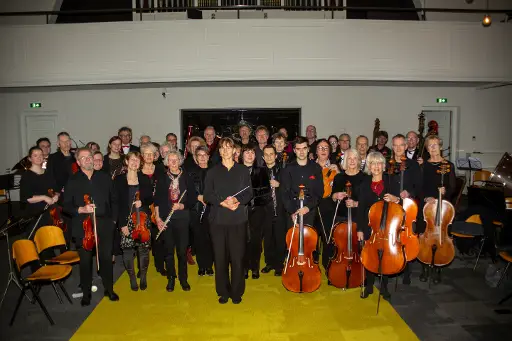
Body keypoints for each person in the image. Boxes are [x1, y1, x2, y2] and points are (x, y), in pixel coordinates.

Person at [63, 147, 119, 306]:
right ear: (78, 162)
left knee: (106, 259)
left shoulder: (104, 177)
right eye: (84, 157)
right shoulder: (73, 181)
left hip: (105, 224)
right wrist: (80, 209)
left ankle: (109, 289)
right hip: (83, 226)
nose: (89, 159)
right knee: (85, 262)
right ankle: (86, 293)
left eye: (90, 156)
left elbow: (114, 200)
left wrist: (113, 221)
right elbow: (65, 205)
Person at [204, 137, 253, 304]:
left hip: (238, 219)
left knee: (238, 258)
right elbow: (207, 195)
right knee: (220, 258)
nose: (225, 151)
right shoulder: (212, 172)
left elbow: (248, 193)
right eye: (222, 148)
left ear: (234, 151)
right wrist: (222, 202)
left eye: (229, 147)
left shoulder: (242, 171)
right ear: (219, 151)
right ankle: (223, 291)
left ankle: (237, 291)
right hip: (218, 220)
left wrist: (237, 202)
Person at [357, 152, 401, 301]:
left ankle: (384, 286)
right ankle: (369, 285)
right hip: (370, 226)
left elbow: (400, 204)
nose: (376, 166)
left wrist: (396, 199)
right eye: (372, 163)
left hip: (387, 228)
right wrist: (360, 230)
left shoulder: (391, 182)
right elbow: (361, 208)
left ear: (383, 166)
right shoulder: (364, 184)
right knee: (370, 256)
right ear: (369, 166)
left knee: (385, 256)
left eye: (379, 163)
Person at [418, 135, 456, 284]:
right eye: (430, 146)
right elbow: (419, 187)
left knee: (441, 236)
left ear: (440, 146)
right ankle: (425, 266)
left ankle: (438, 266)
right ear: (427, 148)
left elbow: (453, 186)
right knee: (425, 236)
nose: (433, 148)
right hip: (427, 206)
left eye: (435, 145)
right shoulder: (423, 166)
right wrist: (426, 197)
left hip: (443, 206)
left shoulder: (448, 165)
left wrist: (445, 192)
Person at [154, 151, 194, 292]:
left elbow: (193, 199)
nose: (173, 162)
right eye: (170, 160)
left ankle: (183, 279)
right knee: (168, 251)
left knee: (182, 252)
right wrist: (158, 218)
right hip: (166, 219)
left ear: (180, 160)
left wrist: (182, 205)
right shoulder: (162, 178)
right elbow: (157, 200)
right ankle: (171, 278)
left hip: (182, 219)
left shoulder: (187, 177)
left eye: (176, 159)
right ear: (166, 162)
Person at [114, 152, 153, 291]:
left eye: (137, 160)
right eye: (132, 160)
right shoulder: (118, 180)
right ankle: (131, 277)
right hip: (126, 219)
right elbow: (115, 203)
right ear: (126, 161)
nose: (135, 162)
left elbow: (150, 199)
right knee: (128, 250)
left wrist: (142, 201)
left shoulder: (143, 178)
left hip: (142, 218)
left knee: (143, 250)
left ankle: (143, 276)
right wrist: (122, 224)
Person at [280, 136, 323, 233]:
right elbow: (284, 193)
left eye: (304, 148)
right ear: (294, 150)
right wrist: (292, 212)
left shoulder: (316, 168)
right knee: (293, 245)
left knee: (310, 244)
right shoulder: (288, 169)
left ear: (308, 149)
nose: (302, 152)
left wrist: (307, 208)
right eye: (298, 149)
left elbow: (319, 192)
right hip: (293, 212)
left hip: (310, 211)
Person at [242, 143, 270, 280]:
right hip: (241, 210)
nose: (249, 155)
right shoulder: (237, 170)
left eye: (252, 152)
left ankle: (255, 267)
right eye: (246, 152)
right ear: (242, 155)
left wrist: (253, 195)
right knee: (243, 240)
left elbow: (267, 192)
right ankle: (245, 267)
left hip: (258, 209)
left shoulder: (262, 170)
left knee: (256, 240)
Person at [187, 146, 214, 276]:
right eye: (200, 155)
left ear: (208, 156)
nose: (203, 157)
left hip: (212, 209)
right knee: (199, 239)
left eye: (205, 155)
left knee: (210, 238)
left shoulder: (215, 171)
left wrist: (209, 198)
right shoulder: (190, 172)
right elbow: (186, 192)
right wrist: (198, 197)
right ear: (196, 158)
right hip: (196, 209)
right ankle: (202, 266)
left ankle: (209, 266)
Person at [19, 147, 59, 233]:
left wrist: (56, 196)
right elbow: (26, 198)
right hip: (37, 213)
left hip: (52, 210)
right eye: (35, 155)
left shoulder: (48, 173)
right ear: (30, 158)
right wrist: (44, 197)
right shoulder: (26, 176)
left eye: (41, 155)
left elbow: (56, 190)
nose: (39, 157)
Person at [261, 145, 286, 276]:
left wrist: (279, 185)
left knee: (280, 238)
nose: (269, 156)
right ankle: (269, 263)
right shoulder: (260, 172)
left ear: (276, 155)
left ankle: (279, 265)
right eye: (266, 154)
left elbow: (290, 189)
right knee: (268, 238)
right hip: (266, 210)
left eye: (272, 154)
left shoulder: (283, 171)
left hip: (280, 209)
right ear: (263, 157)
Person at [315, 139, 339, 271]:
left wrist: (339, 173)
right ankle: (312, 265)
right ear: (316, 151)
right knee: (312, 238)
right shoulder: (310, 167)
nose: (323, 150)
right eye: (320, 148)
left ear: (329, 151)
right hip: (313, 205)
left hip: (329, 204)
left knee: (328, 238)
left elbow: (342, 187)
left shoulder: (335, 168)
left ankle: (328, 266)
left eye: (326, 148)